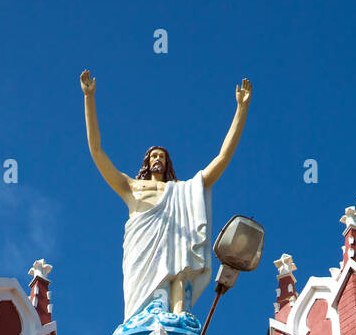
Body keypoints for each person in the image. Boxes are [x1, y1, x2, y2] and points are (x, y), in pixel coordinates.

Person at [80, 70, 252, 319]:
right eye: (153, 156)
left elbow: (221, 159)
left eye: (161, 156)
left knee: (179, 265)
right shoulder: (130, 187)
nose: (157, 159)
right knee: (142, 309)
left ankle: (180, 314)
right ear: (146, 162)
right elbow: (97, 151)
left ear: (167, 162)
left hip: (174, 261)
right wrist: (89, 98)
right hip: (141, 251)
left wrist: (241, 110)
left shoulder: (182, 191)